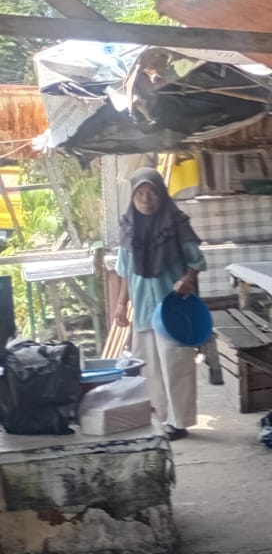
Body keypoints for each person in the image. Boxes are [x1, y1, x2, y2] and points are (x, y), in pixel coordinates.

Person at [112, 168, 205, 441]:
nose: (145, 199)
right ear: (132, 197)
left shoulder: (176, 223)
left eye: (151, 192)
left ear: (161, 194)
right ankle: (160, 417)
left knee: (176, 364)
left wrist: (187, 279)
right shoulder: (128, 227)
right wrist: (121, 304)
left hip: (173, 308)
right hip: (143, 307)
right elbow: (125, 271)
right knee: (148, 365)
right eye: (139, 193)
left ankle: (179, 422)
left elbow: (196, 260)